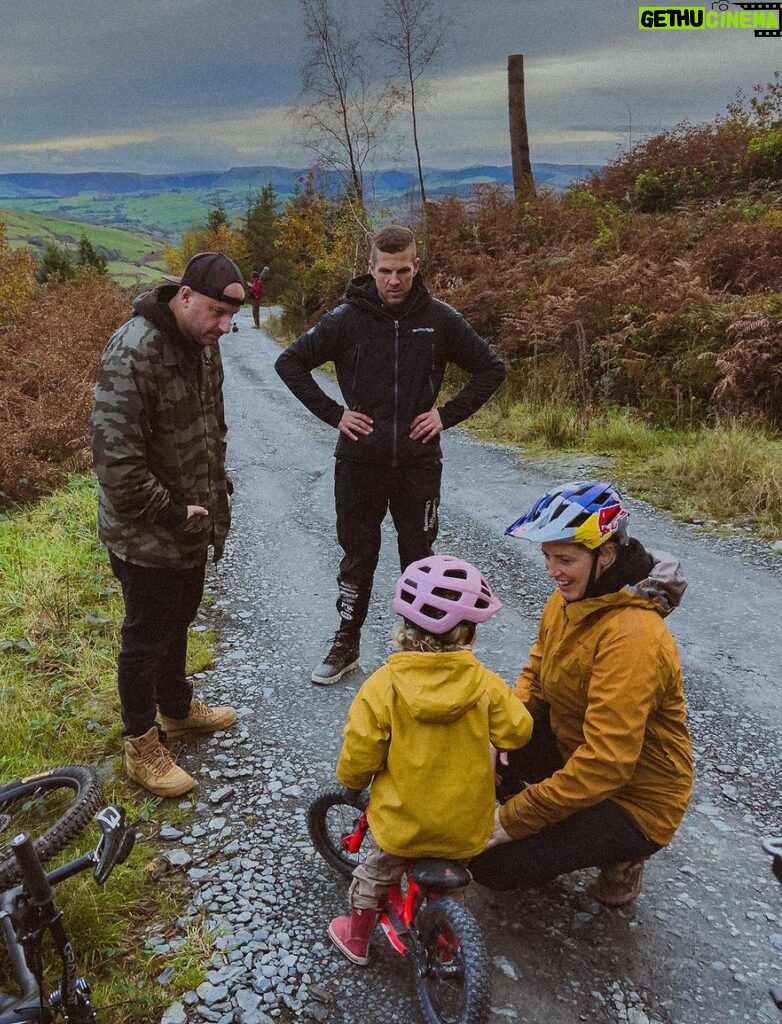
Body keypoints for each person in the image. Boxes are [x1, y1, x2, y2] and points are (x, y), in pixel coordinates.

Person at [274, 224, 506, 686]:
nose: (394, 281)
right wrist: (336, 414)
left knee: (418, 555)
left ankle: (423, 645)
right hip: (359, 461)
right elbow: (290, 363)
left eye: (403, 271)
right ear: (370, 268)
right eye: (385, 271)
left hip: (419, 463)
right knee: (358, 555)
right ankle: (347, 639)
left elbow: (491, 368)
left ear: (416, 266)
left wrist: (445, 416)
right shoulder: (346, 319)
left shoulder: (439, 318)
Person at [468, 481, 694, 907]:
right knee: (480, 745)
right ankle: (556, 817)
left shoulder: (633, 637)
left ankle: (624, 855)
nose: (552, 571)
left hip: (636, 797)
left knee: (490, 866)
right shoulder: (571, 597)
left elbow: (607, 765)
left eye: (565, 559)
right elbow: (536, 671)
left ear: (605, 556)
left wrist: (513, 819)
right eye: (548, 557)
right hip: (576, 743)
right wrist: (502, 730)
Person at [90, 252, 245, 798]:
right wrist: (173, 511)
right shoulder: (133, 351)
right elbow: (116, 463)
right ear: (183, 297)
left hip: (191, 524)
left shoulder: (205, 348)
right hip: (146, 530)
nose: (224, 328)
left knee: (180, 615)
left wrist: (214, 492)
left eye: (231, 317)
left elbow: (212, 427)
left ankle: (176, 708)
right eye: (215, 313)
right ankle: (140, 743)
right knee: (145, 633)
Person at [328, 555, 532, 965]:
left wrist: (351, 783)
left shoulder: (383, 686)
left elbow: (361, 750)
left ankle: (356, 938)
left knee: (374, 873)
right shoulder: (487, 686)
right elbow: (518, 731)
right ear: (468, 633)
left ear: (404, 627)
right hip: (464, 826)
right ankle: (447, 943)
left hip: (403, 824)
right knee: (455, 881)